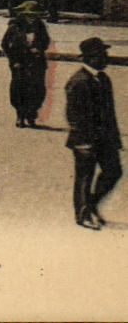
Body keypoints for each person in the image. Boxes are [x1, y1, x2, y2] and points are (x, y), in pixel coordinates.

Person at [64, 37, 120, 229]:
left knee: (114, 172)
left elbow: (110, 113)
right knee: (84, 178)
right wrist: (82, 142)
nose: (106, 58)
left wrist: (115, 140)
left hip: (105, 139)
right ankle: (83, 215)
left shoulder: (103, 79)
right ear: (89, 58)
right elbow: (73, 115)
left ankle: (92, 205)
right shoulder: (78, 82)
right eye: (101, 55)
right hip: (85, 141)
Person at [0, 2, 51, 128]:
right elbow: (5, 44)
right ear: (23, 14)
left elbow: (46, 41)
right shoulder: (15, 27)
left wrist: (39, 49)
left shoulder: (40, 26)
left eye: (35, 15)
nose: (32, 17)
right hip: (20, 63)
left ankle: (32, 115)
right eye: (29, 15)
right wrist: (13, 60)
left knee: (37, 89)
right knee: (19, 89)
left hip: (37, 62)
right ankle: (20, 116)